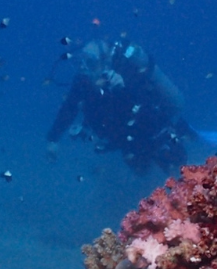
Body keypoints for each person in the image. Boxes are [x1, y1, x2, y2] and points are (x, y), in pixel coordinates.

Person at [47, 40, 196, 174]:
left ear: (104, 61)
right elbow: (69, 109)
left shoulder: (127, 73)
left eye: (91, 62)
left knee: (181, 165)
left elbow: (149, 104)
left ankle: (192, 136)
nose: (85, 68)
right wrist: (53, 139)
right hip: (126, 143)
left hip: (156, 132)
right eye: (82, 62)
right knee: (142, 173)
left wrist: (123, 89)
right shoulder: (82, 83)